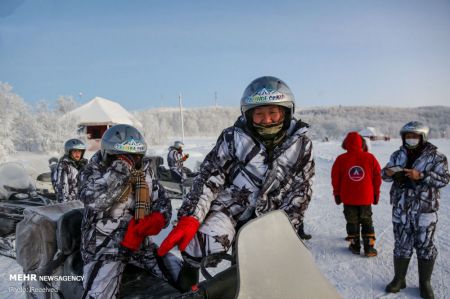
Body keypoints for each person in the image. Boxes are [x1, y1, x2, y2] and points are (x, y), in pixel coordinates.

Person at [157, 76, 315, 297]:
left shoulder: (301, 145)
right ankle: (188, 282)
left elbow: (301, 189)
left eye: (273, 113)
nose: (267, 120)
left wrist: (285, 229)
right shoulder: (233, 138)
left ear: (286, 112)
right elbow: (209, 176)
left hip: (271, 213)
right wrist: (191, 215)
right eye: (259, 114)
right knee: (201, 241)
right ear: (249, 115)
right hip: (230, 207)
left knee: (262, 264)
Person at [78, 124, 182, 299]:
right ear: (107, 154)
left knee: (181, 276)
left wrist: (157, 218)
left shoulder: (145, 172)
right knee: (99, 295)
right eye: (120, 157)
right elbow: (95, 200)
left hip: (140, 245)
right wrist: (121, 169)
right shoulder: (92, 171)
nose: (130, 161)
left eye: (134, 157)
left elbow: (162, 201)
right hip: (104, 248)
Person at [383, 121, 449, 298]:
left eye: (414, 136)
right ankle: (399, 278)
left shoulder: (437, 157)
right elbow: (384, 175)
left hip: (425, 210)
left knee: (425, 246)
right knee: (401, 245)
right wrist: (388, 172)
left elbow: (444, 180)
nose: (410, 139)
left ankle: (424, 283)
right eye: (407, 136)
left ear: (423, 137)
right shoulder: (397, 154)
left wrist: (421, 175)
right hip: (401, 208)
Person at [331, 132, 381, 257]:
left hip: (348, 198)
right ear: (362, 143)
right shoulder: (370, 158)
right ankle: (369, 248)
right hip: (366, 198)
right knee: (367, 221)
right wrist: (376, 194)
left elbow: (335, 178)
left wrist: (337, 194)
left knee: (352, 222)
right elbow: (377, 177)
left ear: (345, 144)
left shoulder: (341, 159)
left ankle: (355, 246)